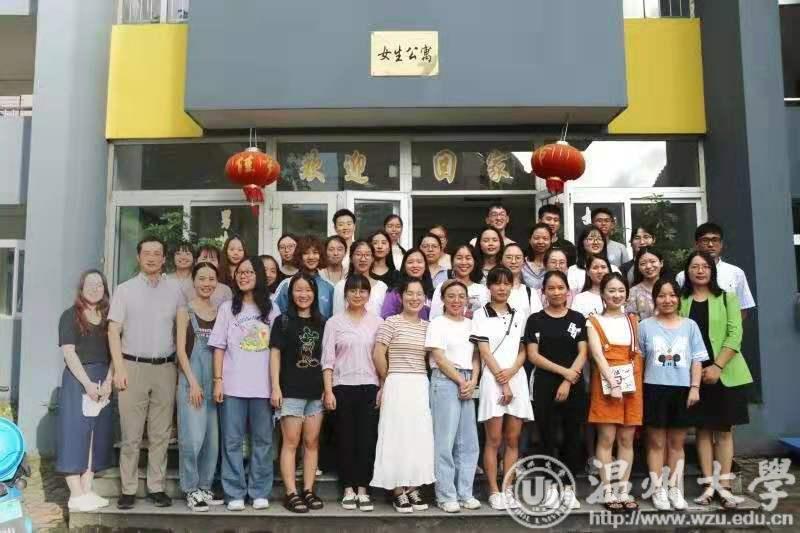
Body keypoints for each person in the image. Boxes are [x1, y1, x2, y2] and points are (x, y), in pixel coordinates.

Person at [109, 237, 186, 510]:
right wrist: (119, 368)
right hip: (132, 367)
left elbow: (181, 330)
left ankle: (156, 487)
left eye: (157, 253)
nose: (152, 258)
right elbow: (113, 331)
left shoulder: (175, 290)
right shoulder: (124, 290)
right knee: (131, 435)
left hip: (165, 368)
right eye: (147, 253)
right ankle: (128, 489)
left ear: (164, 258)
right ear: (138, 257)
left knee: (160, 434)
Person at [679, 251, 753, 509]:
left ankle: (725, 486)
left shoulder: (727, 297)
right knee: (702, 429)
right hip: (694, 374)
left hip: (726, 372)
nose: (700, 270)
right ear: (687, 272)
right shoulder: (682, 301)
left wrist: (718, 366)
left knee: (723, 430)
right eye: (695, 266)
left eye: (705, 266)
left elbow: (735, 334)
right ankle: (708, 484)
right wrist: (699, 371)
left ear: (712, 270)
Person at [209, 257, 280, 511]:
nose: (244, 276)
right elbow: (218, 347)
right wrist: (218, 381)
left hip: (263, 387)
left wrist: (276, 386)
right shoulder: (228, 308)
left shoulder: (272, 309)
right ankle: (234, 492)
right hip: (233, 387)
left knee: (263, 441)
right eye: (240, 272)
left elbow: (277, 351)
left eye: (249, 272)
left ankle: (259, 491)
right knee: (231, 441)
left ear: (259, 275)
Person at [638, 278, 707, 511]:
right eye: (661, 295)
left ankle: (675, 488)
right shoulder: (645, 326)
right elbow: (639, 361)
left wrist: (695, 387)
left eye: (672, 295)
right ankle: (658, 489)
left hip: (682, 390)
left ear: (679, 298)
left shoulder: (690, 326)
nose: (667, 300)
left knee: (676, 443)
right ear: (654, 299)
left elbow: (697, 359)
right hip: (653, 389)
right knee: (656, 443)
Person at [471, 266, 533, 510]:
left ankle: (508, 488)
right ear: (489, 287)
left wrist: (512, 371)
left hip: (516, 377)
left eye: (507, 283)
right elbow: (484, 352)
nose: (502, 288)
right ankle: (494, 490)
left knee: (513, 439)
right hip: (492, 379)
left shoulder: (520, 314)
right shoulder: (480, 315)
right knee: (494, 439)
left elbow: (523, 350)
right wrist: (503, 380)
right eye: (497, 283)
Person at [371, 278, 435, 513]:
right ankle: (398, 490)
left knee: (418, 436)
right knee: (395, 435)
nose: (414, 298)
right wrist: (388, 379)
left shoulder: (428, 327)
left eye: (419, 294)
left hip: (420, 384)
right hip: (396, 382)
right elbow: (378, 354)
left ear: (425, 298)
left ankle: (414, 487)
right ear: (401, 296)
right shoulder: (391, 322)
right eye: (410, 293)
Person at [525, 271, 587, 510]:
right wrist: (564, 373)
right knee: (546, 437)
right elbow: (533, 355)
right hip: (544, 384)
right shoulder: (535, 320)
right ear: (543, 292)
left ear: (568, 291)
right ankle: (550, 487)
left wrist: (568, 380)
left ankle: (569, 488)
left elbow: (583, 352)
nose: (556, 292)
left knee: (573, 437)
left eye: (561, 287)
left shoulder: (577, 318)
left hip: (573, 385)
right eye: (551, 288)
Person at [321, 274, 383, 512]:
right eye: (353, 290)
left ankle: (363, 489)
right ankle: (348, 488)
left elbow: (381, 358)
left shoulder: (378, 322)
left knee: (367, 440)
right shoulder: (334, 323)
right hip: (342, 387)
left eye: (362, 291)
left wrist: (382, 387)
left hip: (370, 386)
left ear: (369, 295)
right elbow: (327, 360)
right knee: (345, 439)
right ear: (345, 293)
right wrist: (328, 391)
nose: (358, 295)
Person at [585, 273, 643, 512]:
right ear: (602, 294)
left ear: (627, 294)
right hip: (606, 383)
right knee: (607, 438)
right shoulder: (593, 321)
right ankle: (607, 489)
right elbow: (597, 356)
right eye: (611, 290)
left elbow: (638, 351)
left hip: (632, 383)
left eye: (621, 290)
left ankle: (623, 489)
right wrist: (613, 383)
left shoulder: (633, 320)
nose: (616, 295)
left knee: (627, 439)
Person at [270, 273, 327, 513]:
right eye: (298, 290)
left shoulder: (322, 323)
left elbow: (327, 358)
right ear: (291, 293)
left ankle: (309, 490)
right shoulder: (282, 321)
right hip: (290, 390)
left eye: (308, 290)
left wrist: (327, 388)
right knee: (291, 442)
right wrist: (275, 387)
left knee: (311, 442)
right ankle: (291, 492)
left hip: (316, 391)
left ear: (315, 294)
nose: (303, 294)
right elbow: (275, 355)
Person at [57, 270, 113, 512]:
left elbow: (116, 352)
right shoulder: (70, 316)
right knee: (74, 434)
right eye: (90, 284)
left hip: (103, 380)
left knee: (95, 436)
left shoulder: (109, 317)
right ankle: (76, 493)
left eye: (99, 284)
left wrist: (109, 381)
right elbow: (69, 353)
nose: (95, 288)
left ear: (105, 289)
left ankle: (87, 489)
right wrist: (88, 384)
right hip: (79, 380)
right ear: (81, 287)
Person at [426, 280, 481, 513]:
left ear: (467, 299)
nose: (456, 300)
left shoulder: (472, 324)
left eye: (461, 296)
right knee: (445, 440)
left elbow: (477, 355)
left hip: (468, 379)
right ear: (443, 299)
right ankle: (445, 494)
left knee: (468, 442)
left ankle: (465, 493)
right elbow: (438, 357)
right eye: (451, 296)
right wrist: (460, 380)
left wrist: (473, 380)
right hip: (446, 379)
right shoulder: (437, 323)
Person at [175, 262, 223, 512]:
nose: (207, 283)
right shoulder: (185, 311)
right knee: (192, 440)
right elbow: (181, 351)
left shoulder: (220, 312)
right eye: (202, 278)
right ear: (193, 281)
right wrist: (193, 382)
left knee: (211, 442)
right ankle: (191, 488)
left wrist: (218, 381)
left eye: (211, 279)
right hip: (191, 381)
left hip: (213, 383)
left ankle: (205, 486)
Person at [675, 223, 756, 319]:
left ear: (721, 244)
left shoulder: (736, 273)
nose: (710, 245)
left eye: (715, 240)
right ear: (696, 244)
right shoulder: (683, 276)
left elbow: (742, 308)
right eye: (705, 240)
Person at [274, 235, 335, 319]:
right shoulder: (286, 284)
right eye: (306, 253)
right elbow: (275, 315)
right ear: (299, 256)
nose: (311, 257)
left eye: (315, 252)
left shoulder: (329, 287)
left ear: (321, 255)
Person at [430, 244, 489, 320]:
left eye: (468, 258)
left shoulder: (482, 290)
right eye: (459, 258)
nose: (464, 262)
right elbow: (434, 317)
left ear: (474, 261)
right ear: (452, 261)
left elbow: (485, 319)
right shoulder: (442, 287)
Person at [332, 240, 389, 316]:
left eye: (367, 255)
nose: (363, 259)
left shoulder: (382, 287)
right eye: (358, 254)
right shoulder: (341, 286)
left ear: (372, 259)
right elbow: (337, 317)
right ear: (351, 258)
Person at [380, 249, 434, 319]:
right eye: (410, 262)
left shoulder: (432, 292)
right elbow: (386, 316)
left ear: (425, 265)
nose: (415, 265)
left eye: (419, 262)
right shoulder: (395, 292)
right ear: (404, 266)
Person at [568, 226, 620, 292]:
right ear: (582, 242)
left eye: (599, 239)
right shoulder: (574, 270)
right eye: (590, 239)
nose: (595, 242)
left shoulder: (614, 269)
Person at [501, 243, 543, 321]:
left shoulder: (531, 293)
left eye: (518, 258)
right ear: (501, 261)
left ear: (524, 262)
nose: (513, 261)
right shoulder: (490, 290)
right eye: (509, 257)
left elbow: (538, 322)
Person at [625, 247, 664, 320]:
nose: (648, 266)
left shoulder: (671, 288)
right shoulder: (633, 292)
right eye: (643, 263)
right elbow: (632, 321)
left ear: (661, 263)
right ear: (638, 267)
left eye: (652, 261)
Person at [522, 223, 552, 290]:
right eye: (536, 238)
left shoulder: (556, 263)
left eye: (545, 238)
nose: (540, 242)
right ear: (530, 240)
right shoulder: (521, 263)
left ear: (551, 240)